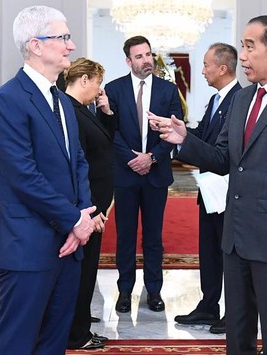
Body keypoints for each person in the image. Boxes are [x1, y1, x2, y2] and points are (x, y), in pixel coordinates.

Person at [150, 15, 267, 355]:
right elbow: (223, 158)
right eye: (242, 47)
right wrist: (184, 139)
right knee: (237, 333)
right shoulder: (243, 100)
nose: (241, 56)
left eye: (249, 46)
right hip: (235, 238)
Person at [0, 5, 96, 355]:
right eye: (63, 37)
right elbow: (23, 177)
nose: (71, 45)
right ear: (36, 45)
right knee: (14, 343)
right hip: (28, 246)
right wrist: (74, 220)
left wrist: (83, 217)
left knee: (54, 343)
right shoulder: (7, 101)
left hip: (69, 244)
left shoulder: (62, 100)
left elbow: (78, 161)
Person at [105, 35, 183, 313]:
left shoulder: (168, 90)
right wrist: (131, 159)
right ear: (129, 61)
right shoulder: (113, 89)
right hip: (125, 176)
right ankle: (124, 291)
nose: (146, 60)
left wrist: (151, 157)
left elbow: (174, 130)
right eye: (139, 56)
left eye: (148, 54)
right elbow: (109, 132)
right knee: (125, 236)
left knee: (153, 236)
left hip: (156, 174)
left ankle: (154, 291)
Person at [174, 43, 242, 335]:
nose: (201, 71)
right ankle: (208, 305)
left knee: (230, 254)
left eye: (206, 65)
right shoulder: (216, 100)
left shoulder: (239, 99)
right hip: (210, 190)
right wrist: (179, 132)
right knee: (210, 251)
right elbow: (202, 137)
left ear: (222, 68)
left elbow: (223, 150)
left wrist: (184, 139)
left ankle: (234, 312)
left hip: (229, 191)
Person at [63, 58, 116, 350]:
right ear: (84, 80)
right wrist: (91, 209)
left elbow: (102, 143)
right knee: (82, 274)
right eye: (97, 83)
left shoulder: (83, 110)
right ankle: (76, 334)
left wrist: (106, 113)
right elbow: (76, 167)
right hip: (88, 210)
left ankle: (81, 326)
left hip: (95, 207)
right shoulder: (70, 111)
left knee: (87, 272)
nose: (99, 90)